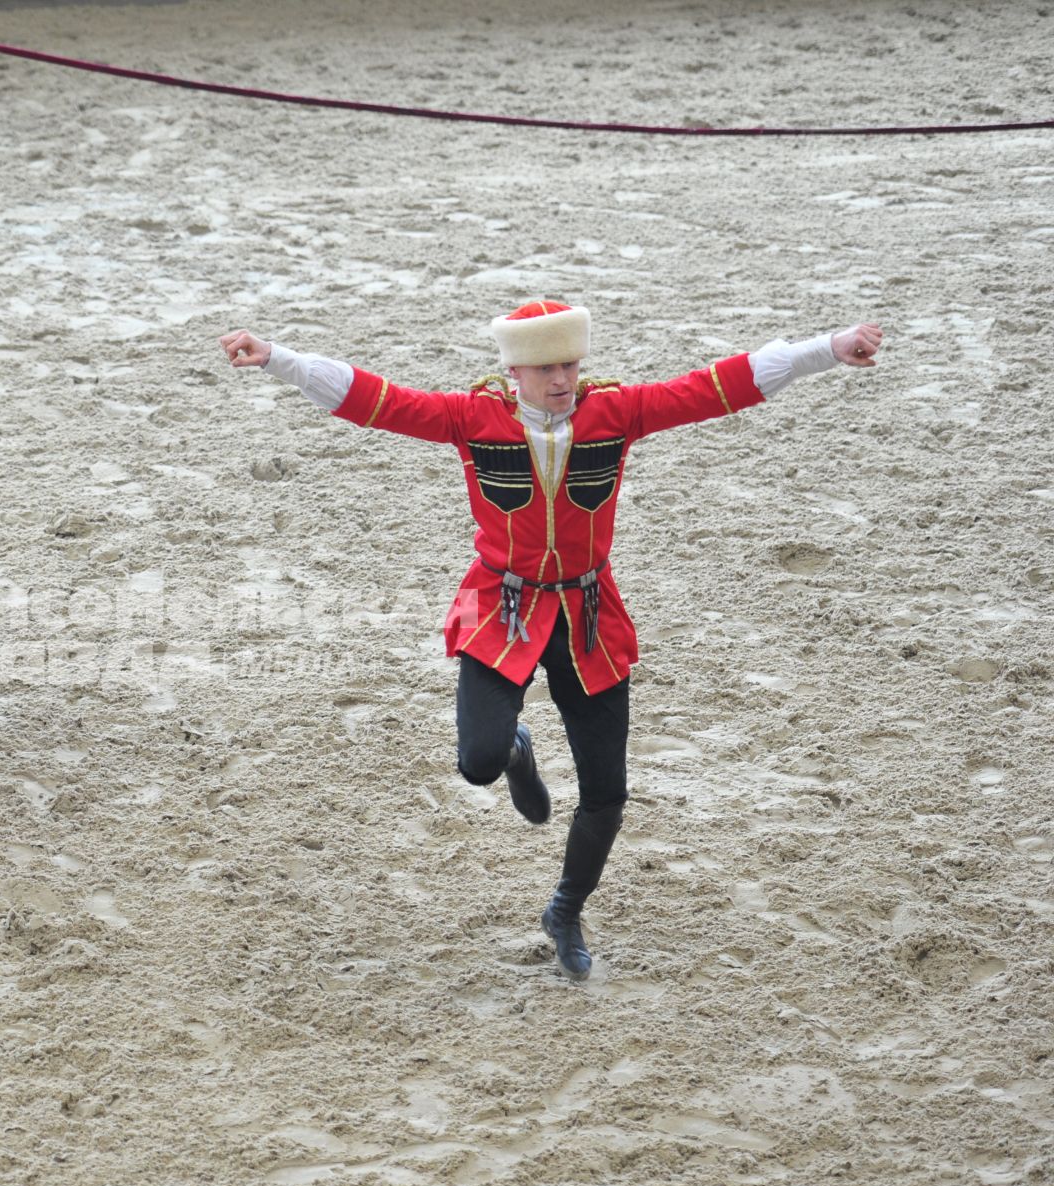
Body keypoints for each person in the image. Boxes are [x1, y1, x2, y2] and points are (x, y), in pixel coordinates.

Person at [219, 302, 883, 979]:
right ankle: (515, 748)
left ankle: (565, 909)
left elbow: (720, 386)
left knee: (607, 793)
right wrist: (276, 356)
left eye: (569, 364)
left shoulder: (616, 413)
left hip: (589, 616)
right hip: (500, 606)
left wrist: (828, 347)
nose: (562, 379)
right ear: (513, 371)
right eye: (546, 368)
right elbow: (373, 399)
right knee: (477, 761)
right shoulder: (471, 418)